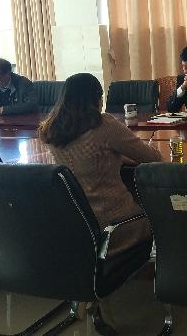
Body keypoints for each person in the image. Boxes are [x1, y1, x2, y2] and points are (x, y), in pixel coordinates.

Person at [38, 73, 161, 256]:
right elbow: (153, 158)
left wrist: (115, 157)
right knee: (164, 212)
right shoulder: (104, 124)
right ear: (97, 98)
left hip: (77, 227)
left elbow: (83, 158)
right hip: (117, 225)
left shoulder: (50, 129)